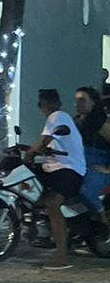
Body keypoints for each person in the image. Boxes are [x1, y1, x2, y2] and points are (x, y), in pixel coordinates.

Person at [28, 88, 85, 270]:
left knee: (53, 203)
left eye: (45, 103)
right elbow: (47, 145)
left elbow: (43, 142)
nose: (45, 107)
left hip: (68, 169)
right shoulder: (59, 120)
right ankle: (39, 229)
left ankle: (61, 256)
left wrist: (31, 152)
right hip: (55, 167)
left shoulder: (57, 116)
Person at [74, 86, 110, 215]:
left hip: (97, 165)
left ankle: (103, 221)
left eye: (82, 100)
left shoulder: (102, 123)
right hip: (80, 164)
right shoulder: (77, 122)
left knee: (87, 193)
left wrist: (107, 169)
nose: (77, 104)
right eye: (76, 100)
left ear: (93, 102)